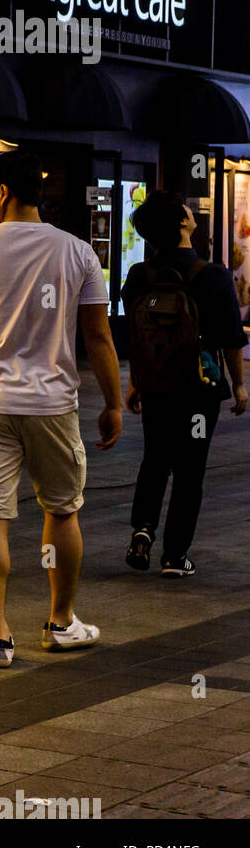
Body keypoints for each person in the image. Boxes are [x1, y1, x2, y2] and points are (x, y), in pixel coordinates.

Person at [0, 150, 123, 669]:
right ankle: (61, 623)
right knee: (61, 509)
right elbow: (99, 337)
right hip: (52, 404)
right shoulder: (79, 253)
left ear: (2, 193)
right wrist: (114, 403)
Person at [122, 192, 247, 578]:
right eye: (188, 211)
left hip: (156, 387)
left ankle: (142, 531)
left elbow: (136, 336)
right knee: (190, 469)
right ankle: (175, 556)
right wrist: (239, 385)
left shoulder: (139, 276)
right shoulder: (211, 275)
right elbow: (230, 337)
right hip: (198, 391)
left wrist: (135, 383)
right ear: (181, 223)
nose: (193, 213)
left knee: (155, 459)